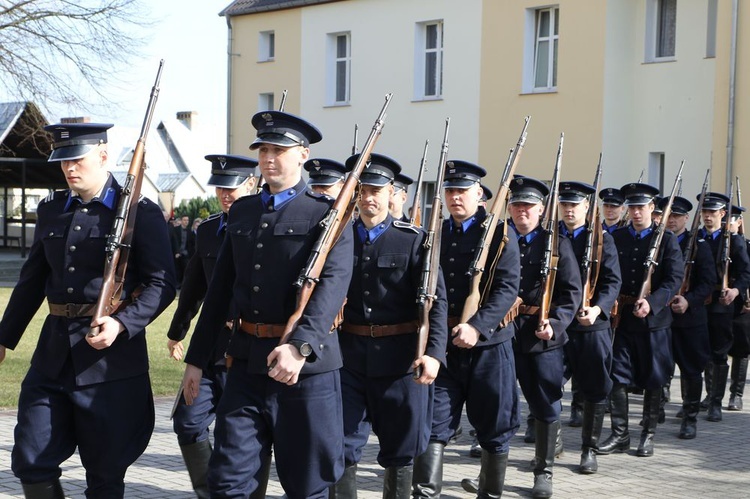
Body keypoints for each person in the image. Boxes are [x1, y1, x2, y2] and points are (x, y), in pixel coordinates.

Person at [180, 111, 353, 498]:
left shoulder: (327, 215)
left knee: (307, 486)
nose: (268, 158)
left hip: (305, 372)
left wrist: (299, 346)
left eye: (279, 149)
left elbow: (330, 290)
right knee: (228, 482)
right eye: (263, 150)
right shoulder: (242, 211)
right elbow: (220, 291)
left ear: (303, 155)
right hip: (245, 365)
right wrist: (197, 359)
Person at [0, 122, 176, 498]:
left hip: (110, 361)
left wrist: (121, 324)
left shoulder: (139, 213)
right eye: (63, 161)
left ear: (103, 155)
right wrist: (4, 337)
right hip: (53, 356)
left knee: (105, 472)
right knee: (31, 459)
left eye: (77, 160)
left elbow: (163, 284)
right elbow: (32, 280)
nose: (69, 168)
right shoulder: (51, 210)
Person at [331, 153, 447, 498]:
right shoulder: (339, 238)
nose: (369, 197)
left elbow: (435, 304)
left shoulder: (413, 240)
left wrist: (434, 354)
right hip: (349, 358)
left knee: (400, 449)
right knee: (341, 442)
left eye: (376, 190)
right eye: (363, 189)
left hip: (399, 360)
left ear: (391, 193)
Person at [412, 161, 521, 498]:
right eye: (450, 191)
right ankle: (424, 493)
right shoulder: (436, 234)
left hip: (488, 346)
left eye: (463, 191)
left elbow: (506, 288)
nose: (455, 197)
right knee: (433, 424)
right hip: (442, 344)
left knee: (494, 424)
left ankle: (489, 494)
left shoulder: (500, 233)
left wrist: (476, 326)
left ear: (480, 196)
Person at [167, 154, 259, 498]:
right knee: (188, 421)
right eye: (220, 187)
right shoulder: (207, 231)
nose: (224, 194)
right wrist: (177, 332)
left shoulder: (265, 226)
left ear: (251, 183)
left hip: (250, 347)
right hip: (211, 345)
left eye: (231, 187)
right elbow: (194, 286)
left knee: (241, 436)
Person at [508, 176, 581, 499]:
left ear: (541, 209)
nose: (522, 210)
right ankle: (490, 467)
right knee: (497, 402)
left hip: (542, 337)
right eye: (516, 205)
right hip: (505, 334)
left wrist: (556, 322)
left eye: (528, 205)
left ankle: (544, 470)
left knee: (546, 404)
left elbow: (571, 293)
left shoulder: (557, 244)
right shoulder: (501, 240)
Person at [597, 183, 683, 458]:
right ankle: (620, 434)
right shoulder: (617, 237)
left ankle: (647, 434)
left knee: (654, 378)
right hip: (622, 319)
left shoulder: (666, 239)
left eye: (641, 207)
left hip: (654, 323)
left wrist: (654, 302)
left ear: (651, 209)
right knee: (617, 376)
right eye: (632, 207)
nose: (635, 212)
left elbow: (673, 279)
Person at [557, 181, 621, 474]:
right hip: (558, 324)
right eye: (565, 205)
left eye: (575, 205)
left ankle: (588, 449)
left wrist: (597, 309)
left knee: (595, 388)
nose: (569, 210)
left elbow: (612, 281)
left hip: (590, 326)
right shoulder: (552, 237)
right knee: (547, 383)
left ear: (586, 207)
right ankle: (549, 444)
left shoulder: (602, 239)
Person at [663, 196, 715, 439]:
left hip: (690, 319)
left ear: (686, 218)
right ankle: (654, 412)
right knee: (659, 368)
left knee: (691, 369)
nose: (672, 220)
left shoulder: (699, 245)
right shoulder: (659, 242)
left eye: (677, 216)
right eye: (669, 215)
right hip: (661, 317)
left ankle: (690, 416)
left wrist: (689, 300)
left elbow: (708, 283)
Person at [697, 193, 750, 422]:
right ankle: (707, 397)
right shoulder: (696, 239)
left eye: (712, 212)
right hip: (699, 301)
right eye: (705, 212)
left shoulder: (734, 240)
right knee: (702, 351)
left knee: (719, 353)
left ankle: (716, 402)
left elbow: (747, 272)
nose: (708, 217)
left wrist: (736, 290)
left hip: (721, 302)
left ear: (722, 214)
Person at [728, 205, 750, 411]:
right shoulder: (716, 243)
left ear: (739, 222)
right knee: (714, 347)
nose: (728, 224)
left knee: (741, 349)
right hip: (721, 300)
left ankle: (736, 394)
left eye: (731, 220)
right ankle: (710, 395)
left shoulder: (747, 245)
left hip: (743, 303)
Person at [171, 214, 195, 286]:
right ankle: (177, 283)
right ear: (181, 221)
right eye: (184, 220)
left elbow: (191, 244)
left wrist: (188, 252)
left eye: (187, 220)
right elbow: (174, 242)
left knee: (186, 268)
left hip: (185, 253)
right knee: (177, 269)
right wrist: (176, 252)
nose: (186, 222)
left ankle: (184, 284)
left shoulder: (190, 231)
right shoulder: (175, 230)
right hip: (176, 253)